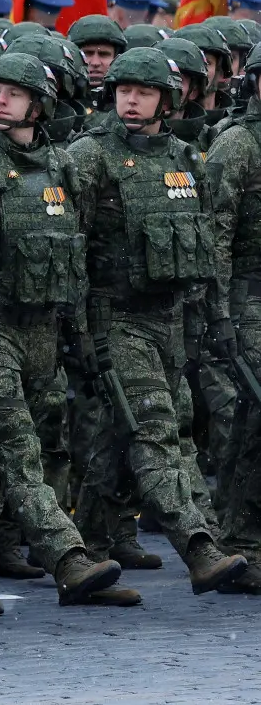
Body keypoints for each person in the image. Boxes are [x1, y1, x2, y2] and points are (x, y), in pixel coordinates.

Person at [0, 51, 144, 610]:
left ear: (40, 103)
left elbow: (73, 260)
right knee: (16, 448)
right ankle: (69, 560)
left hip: (41, 329)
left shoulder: (60, 168)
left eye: (13, 92)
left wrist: (78, 337)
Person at [66, 47, 249, 597]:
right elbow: (66, 252)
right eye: (123, 91)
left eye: (143, 92)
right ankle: (199, 545)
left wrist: (210, 319)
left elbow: (207, 249)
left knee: (123, 436)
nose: (130, 100)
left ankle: (90, 555)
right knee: (152, 431)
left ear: (167, 100)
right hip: (113, 317)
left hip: (168, 320)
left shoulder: (187, 160)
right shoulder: (88, 157)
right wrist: (76, 332)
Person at [194, 42, 261, 594]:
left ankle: (235, 531)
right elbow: (213, 234)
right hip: (248, 297)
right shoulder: (238, 144)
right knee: (256, 411)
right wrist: (217, 313)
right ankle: (241, 539)